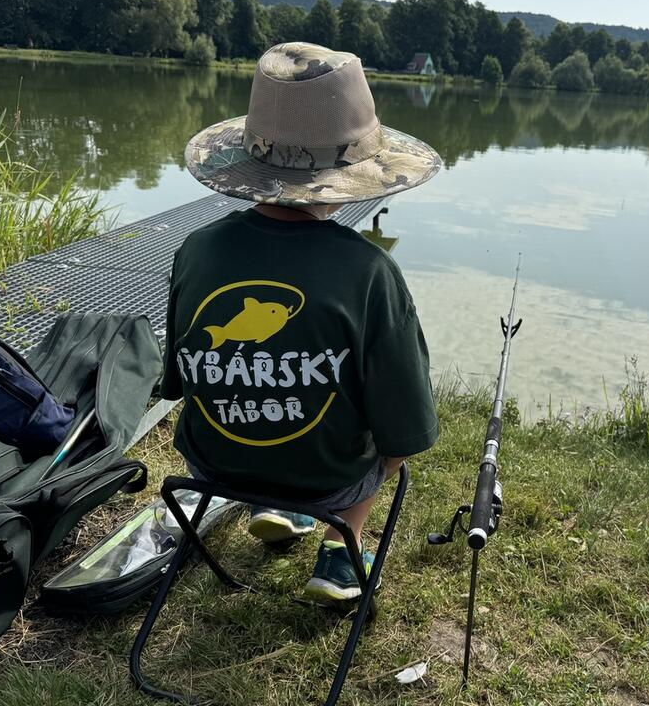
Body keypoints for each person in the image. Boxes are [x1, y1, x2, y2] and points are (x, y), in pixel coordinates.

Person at [160, 42, 442, 603]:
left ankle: (275, 508)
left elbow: (176, 381)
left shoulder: (195, 250)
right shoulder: (370, 272)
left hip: (212, 464)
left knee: (263, 403)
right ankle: (342, 551)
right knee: (388, 441)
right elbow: (408, 424)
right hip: (329, 479)